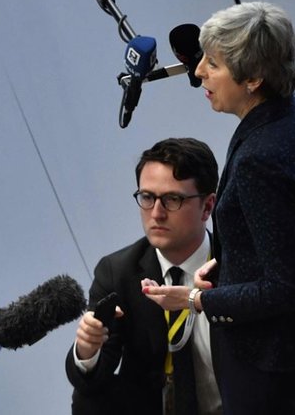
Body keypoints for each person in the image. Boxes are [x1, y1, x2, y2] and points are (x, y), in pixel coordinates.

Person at [142, 2, 295, 414]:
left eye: (214, 64)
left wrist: (194, 300)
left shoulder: (261, 158)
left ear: (254, 79)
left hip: (271, 348)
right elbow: (289, 226)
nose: (198, 72)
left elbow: (286, 286)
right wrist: (227, 263)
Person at [66, 138, 222, 415]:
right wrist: (87, 351)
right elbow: (92, 380)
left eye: (173, 199)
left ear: (207, 207)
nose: (157, 213)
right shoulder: (117, 272)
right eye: (147, 197)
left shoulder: (237, 263)